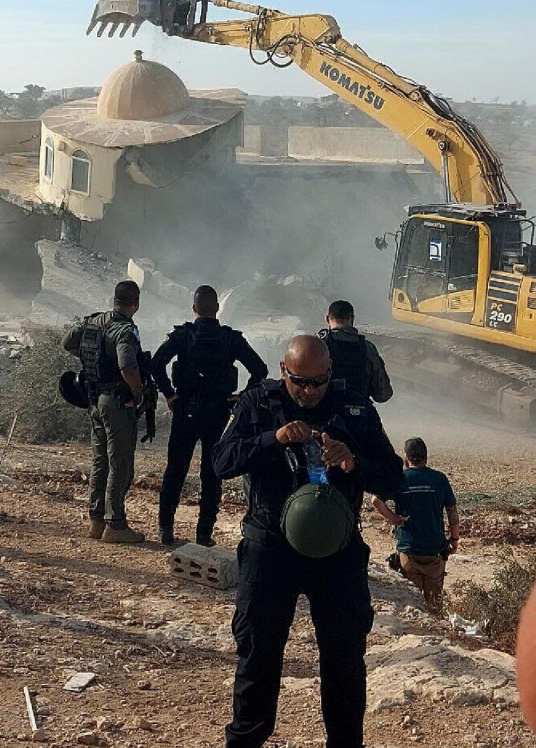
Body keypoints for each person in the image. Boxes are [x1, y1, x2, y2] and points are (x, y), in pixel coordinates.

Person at [213, 335, 403, 748]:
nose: (310, 391)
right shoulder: (259, 403)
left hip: (337, 551)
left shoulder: (354, 408)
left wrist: (353, 462)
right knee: (258, 654)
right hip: (270, 546)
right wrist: (273, 439)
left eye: (318, 382)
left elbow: (392, 477)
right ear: (284, 371)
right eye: (301, 382)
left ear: (329, 374)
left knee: (345, 660)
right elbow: (221, 462)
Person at [151, 284, 267, 547]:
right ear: (216, 308)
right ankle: (204, 534)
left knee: (176, 470)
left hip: (185, 410)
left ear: (194, 309)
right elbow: (259, 369)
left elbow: (156, 364)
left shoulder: (183, 336)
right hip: (217, 411)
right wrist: (240, 398)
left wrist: (169, 395)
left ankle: (166, 529)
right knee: (211, 473)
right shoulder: (231, 339)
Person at [62, 280, 147, 544]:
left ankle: (96, 520)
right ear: (135, 304)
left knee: (100, 460)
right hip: (116, 401)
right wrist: (138, 391)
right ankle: (116, 524)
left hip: (93, 398)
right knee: (120, 462)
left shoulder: (93, 322)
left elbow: (68, 342)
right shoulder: (124, 330)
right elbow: (128, 366)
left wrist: (93, 356)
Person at [372, 437, 459, 611]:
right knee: (434, 604)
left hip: (408, 550)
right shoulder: (439, 479)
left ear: (406, 457)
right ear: (426, 457)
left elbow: (375, 500)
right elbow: (452, 511)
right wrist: (454, 538)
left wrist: (394, 519)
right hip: (435, 550)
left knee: (414, 604)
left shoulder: (401, 478)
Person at [318, 299, 392, 405]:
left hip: (324, 413)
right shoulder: (367, 348)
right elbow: (383, 395)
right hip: (357, 415)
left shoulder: (317, 345)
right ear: (352, 318)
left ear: (327, 319)